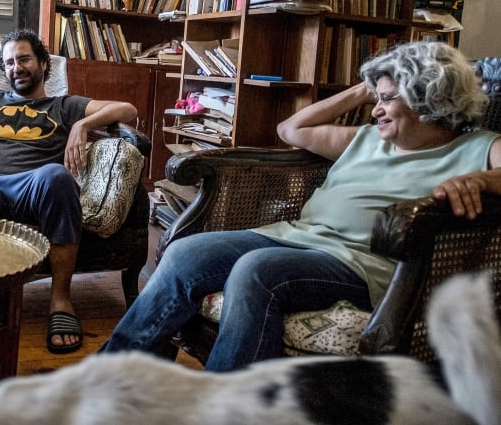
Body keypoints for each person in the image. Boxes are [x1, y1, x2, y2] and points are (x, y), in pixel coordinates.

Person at [99, 41, 501, 371]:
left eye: (388, 99)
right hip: (296, 237)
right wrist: (366, 86)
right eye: (375, 99)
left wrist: (483, 179)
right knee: (186, 251)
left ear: (428, 98)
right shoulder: (367, 137)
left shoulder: (478, 147)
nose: (376, 109)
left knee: (257, 272)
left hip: (363, 266)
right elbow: (291, 129)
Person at [0, 28, 137, 354]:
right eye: (8, 63)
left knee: (57, 175)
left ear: (43, 64)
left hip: (33, 189)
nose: (16, 68)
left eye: (24, 59)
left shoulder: (64, 106)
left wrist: (82, 124)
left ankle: (60, 300)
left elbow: (127, 109)